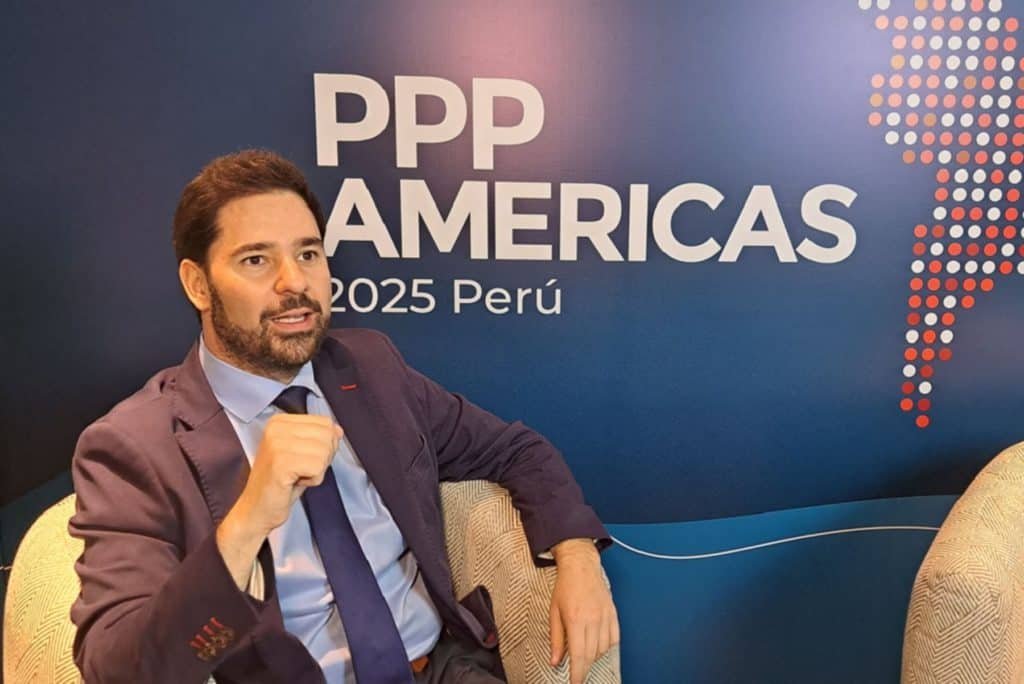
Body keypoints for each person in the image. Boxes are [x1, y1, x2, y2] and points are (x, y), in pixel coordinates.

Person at [69, 150, 618, 684]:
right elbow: (125, 672)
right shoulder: (136, 446)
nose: (294, 282)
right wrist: (246, 523)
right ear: (198, 284)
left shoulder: (371, 367)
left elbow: (514, 450)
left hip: (435, 669)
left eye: (308, 254)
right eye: (256, 260)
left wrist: (576, 557)